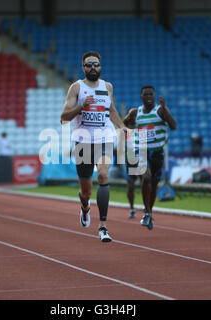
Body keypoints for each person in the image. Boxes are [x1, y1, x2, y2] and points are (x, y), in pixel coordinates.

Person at [60, 50, 127, 242]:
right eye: (89, 64)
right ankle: (85, 207)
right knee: (86, 191)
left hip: (104, 138)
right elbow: (63, 118)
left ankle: (103, 226)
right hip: (83, 141)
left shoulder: (108, 87)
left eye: (96, 64)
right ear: (83, 67)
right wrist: (81, 106)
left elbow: (111, 109)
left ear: (100, 66)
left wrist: (122, 127)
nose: (92, 67)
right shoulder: (76, 88)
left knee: (104, 175)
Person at [123, 85, 177, 230]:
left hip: (157, 151)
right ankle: (146, 211)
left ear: (154, 96)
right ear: (141, 96)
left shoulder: (160, 110)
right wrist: (127, 121)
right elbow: (124, 125)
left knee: (153, 185)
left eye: (151, 94)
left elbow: (173, 126)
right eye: (145, 94)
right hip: (141, 150)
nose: (148, 96)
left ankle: (149, 211)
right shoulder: (135, 112)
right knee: (145, 177)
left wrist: (165, 110)